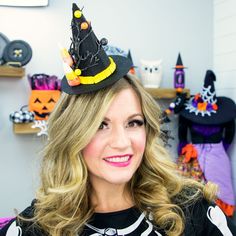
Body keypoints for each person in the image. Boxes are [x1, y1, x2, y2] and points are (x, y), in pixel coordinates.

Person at [1, 3, 236, 236]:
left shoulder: (194, 212)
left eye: (134, 122)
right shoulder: (35, 228)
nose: (122, 142)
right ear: (73, 133)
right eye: (100, 125)